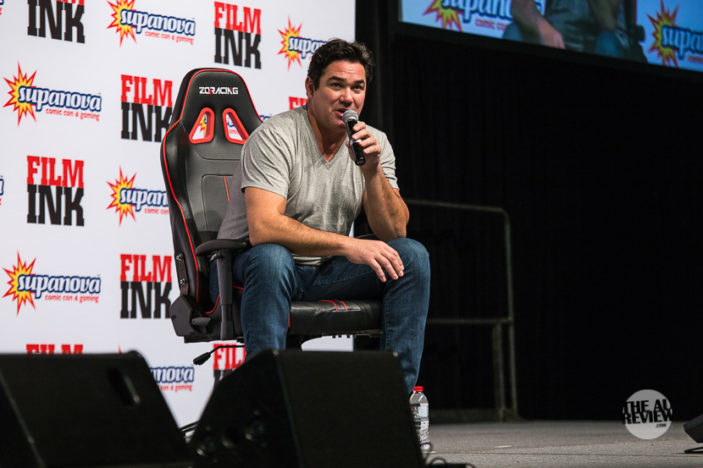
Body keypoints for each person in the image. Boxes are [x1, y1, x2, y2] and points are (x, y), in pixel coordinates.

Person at [213, 38, 430, 393]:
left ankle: (393, 400)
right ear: (311, 88)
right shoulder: (276, 136)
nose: (348, 98)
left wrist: (372, 172)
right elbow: (263, 228)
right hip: (247, 267)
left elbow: (395, 230)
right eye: (336, 85)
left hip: (322, 270)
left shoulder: (373, 143)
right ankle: (267, 401)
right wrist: (349, 245)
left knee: (411, 256)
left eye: (357, 88)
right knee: (272, 257)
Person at [503, 0, 631, 59]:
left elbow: (608, 22)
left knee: (607, 42)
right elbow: (519, 5)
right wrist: (543, 28)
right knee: (514, 31)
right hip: (555, 41)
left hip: (596, 46)